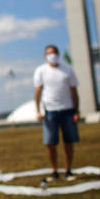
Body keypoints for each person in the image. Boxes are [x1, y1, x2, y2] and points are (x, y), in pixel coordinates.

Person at [34, 44, 80, 182]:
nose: (51, 55)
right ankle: (54, 171)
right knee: (50, 143)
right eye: (49, 53)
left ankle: (68, 170)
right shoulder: (41, 70)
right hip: (50, 111)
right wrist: (38, 110)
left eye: (53, 53)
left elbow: (74, 92)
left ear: (58, 55)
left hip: (67, 110)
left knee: (68, 142)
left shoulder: (67, 70)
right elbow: (38, 91)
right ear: (45, 56)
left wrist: (76, 111)